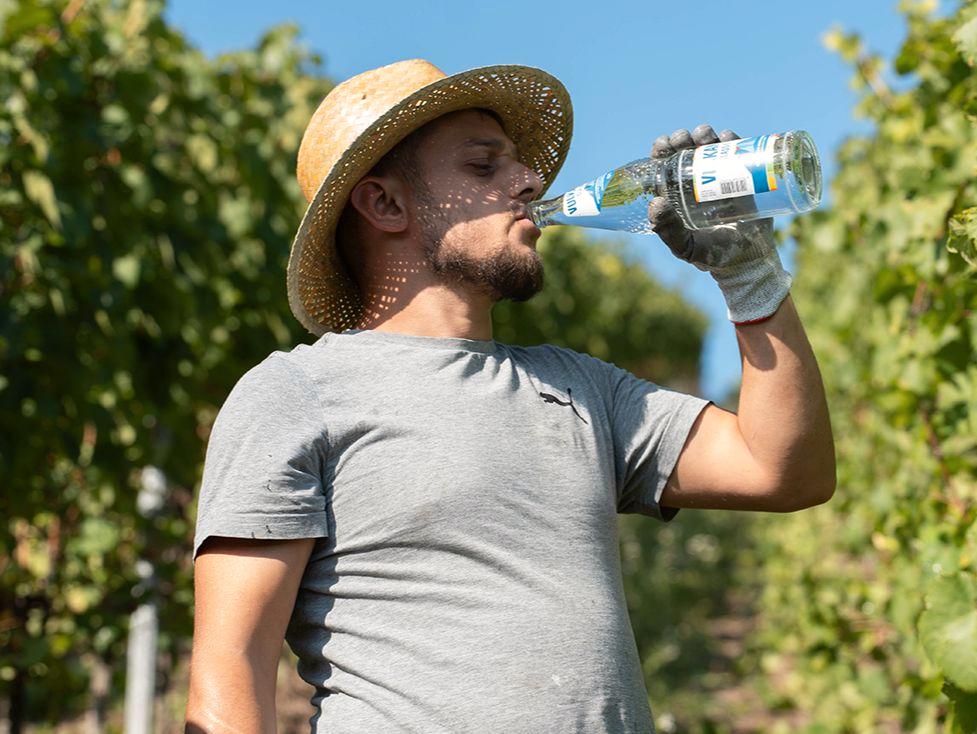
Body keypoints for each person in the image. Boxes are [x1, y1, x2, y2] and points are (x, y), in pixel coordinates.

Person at [185, 59, 835, 733]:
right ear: (385, 205)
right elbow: (229, 676)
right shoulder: (296, 394)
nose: (528, 182)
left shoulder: (580, 387)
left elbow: (783, 472)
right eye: (482, 165)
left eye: (518, 163)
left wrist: (749, 277)